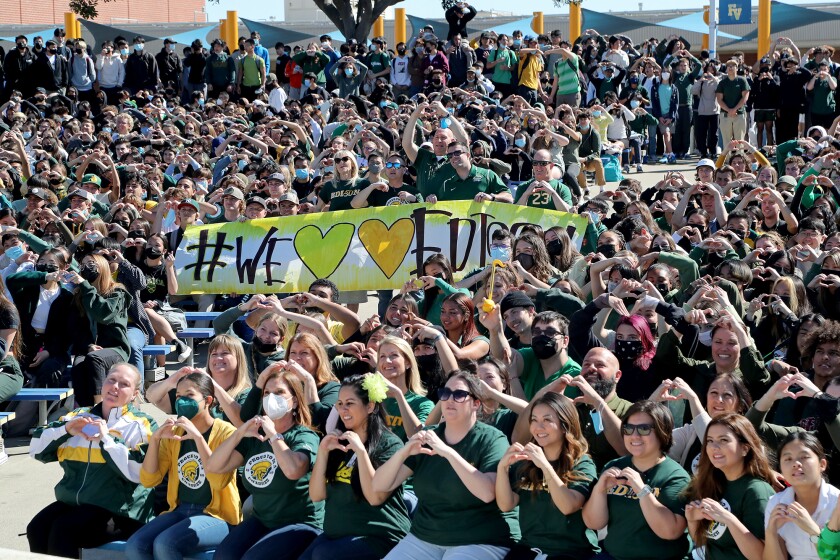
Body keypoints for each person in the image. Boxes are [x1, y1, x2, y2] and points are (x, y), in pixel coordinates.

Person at [372, 371, 519, 559]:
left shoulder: (491, 439)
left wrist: (448, 452)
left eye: (459, 395)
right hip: (424, 537)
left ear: (476, 403)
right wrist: (404, 451)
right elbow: (380, 485)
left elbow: (487, 493)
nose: (450, 399)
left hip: (480, 539)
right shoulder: (429, 436)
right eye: (445, 393)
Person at [27, 364, 156, 558]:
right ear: (103, 383)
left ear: (134, 394)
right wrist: (66, 430)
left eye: (124, 384)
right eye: (111, 380)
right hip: (75, 503)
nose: (115, 387)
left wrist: (106, 439)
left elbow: (138, 472)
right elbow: (35, 449)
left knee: (64, 531)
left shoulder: (142, 424)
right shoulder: (78, 416)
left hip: (122, 513)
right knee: (36, 528)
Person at [207, 365, 323, 560]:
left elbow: (293, 470)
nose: (271, 398)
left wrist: (273, 434)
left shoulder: (304, 435)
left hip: (301, 523)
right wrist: (240, 433)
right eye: (267, 393)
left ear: (294, 402)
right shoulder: (255, 437)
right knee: (224, 555)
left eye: (279, 392)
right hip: (263, 519)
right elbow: (213, 466)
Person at [125, 372, 240, 560]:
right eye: (178, 396)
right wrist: (156, 440)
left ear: (208, 400)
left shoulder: (226, 432)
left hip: (218, 517)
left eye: (189, 395)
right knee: (135, 545)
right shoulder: (175, 433)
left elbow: (218, 481)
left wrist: (197, 437)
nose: (181, 401)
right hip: (180, 510)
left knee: (165, 544)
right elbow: (149, 479)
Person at [301, 374, 411, 560]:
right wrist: (323, 452)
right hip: (336, 535)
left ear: (370, 406)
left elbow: (375, 497)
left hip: (379, 537)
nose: (343, 410)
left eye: (350, 403)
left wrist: (361, 453)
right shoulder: (339, 441)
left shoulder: (390, 444)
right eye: (340, 404)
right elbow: (316, 495)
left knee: (323, 556)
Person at [582, 400, 691, 560]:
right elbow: (593, 523)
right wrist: (599, 489)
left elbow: (671, 532)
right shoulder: (614, 467)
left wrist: (642, 490)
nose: (634, 435)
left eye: (644, 429)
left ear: (663, 432)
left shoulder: (675, 476)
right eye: (628, 428)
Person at [496, 392, 598, 560]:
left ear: (565, 425)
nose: (538, 427)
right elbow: (507, 505)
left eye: (547, 420)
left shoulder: (583, 463)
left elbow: (568, 506)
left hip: (571, 551)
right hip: (529, 546)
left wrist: (544, 465)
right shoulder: (526, 462)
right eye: (534, 420)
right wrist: (502, 468)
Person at [684, 412, 776, 560]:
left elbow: (762, 556)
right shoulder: (712, 483)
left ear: (745, 449)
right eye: (710, 440)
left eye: (723, 440)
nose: (714, 447)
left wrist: (728, 518)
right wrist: (692, 520)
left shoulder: (757, 492)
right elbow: (704, 541)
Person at [146, 334, 252, 426]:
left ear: (239, 358)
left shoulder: (247, 394)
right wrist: (170, 382)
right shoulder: (195, 388)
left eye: (225, 353)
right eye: (214, 354)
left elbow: (242, 422)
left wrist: (213, 385)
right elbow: (151, 396)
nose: (218, 358)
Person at [765, 432, 840, 560]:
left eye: (804, 457)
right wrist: (770, 532)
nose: (796, 464)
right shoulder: (776, 503)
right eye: (788, 459)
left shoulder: (836, 501)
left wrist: (813, 531)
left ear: (822, 464)